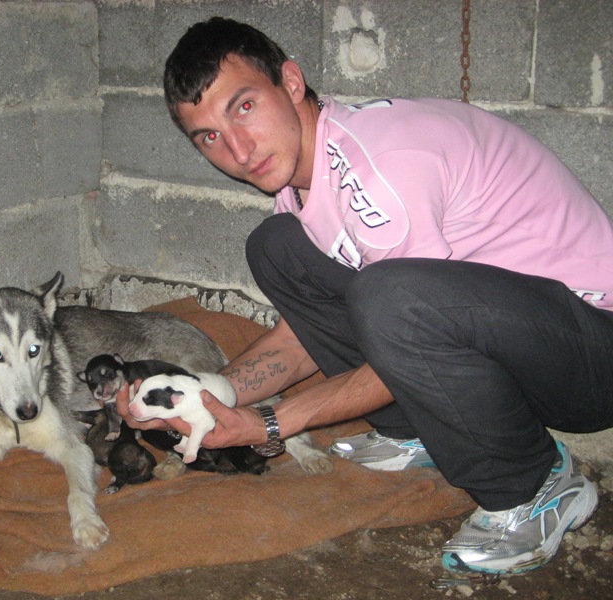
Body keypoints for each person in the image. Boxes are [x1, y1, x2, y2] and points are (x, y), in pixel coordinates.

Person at [117, 16, 613, 575]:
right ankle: (419, 431)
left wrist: (275, 423)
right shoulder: (304, 187)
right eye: (208, 135)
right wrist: (209, 393)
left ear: (292, 82)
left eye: (244, 106)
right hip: (511, 344)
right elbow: (305, 339)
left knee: (393, 296)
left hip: (590, 349)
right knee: (276, 247)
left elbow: (407, 320)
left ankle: (535, 485)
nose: (236, 147)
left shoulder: (378, 168)